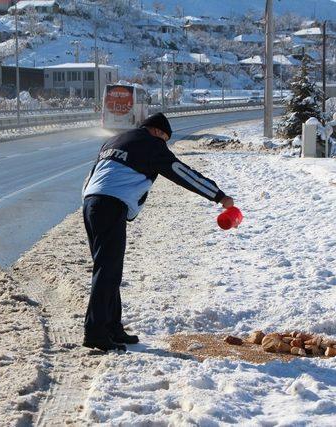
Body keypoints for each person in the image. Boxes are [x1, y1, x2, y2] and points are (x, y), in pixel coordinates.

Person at [81, 113, 234, 352]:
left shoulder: (115, 140)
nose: (165, 145)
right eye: (165, 139)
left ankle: (112, 326)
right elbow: (181, 173)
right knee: (107, 269)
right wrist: (218, 195)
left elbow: (93, 174)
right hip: (110, 205)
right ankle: (96, 332)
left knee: (109, 267)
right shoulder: (152, 145)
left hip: (91, 202)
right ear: (158, 132)